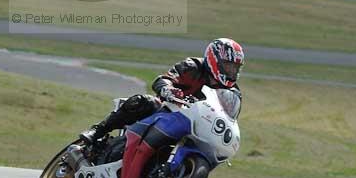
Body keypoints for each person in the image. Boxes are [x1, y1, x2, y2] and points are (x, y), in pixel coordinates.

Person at [81, 37, 244, 144]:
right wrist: (168, 90)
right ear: (214, 59)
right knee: (146, 102)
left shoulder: (232, 92)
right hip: (165, 111)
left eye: (235, 68)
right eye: (228, 66)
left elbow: (228, 117)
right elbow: (162, 79)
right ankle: (98, 130)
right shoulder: (192, 66)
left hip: (194, 124)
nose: (232, 72)